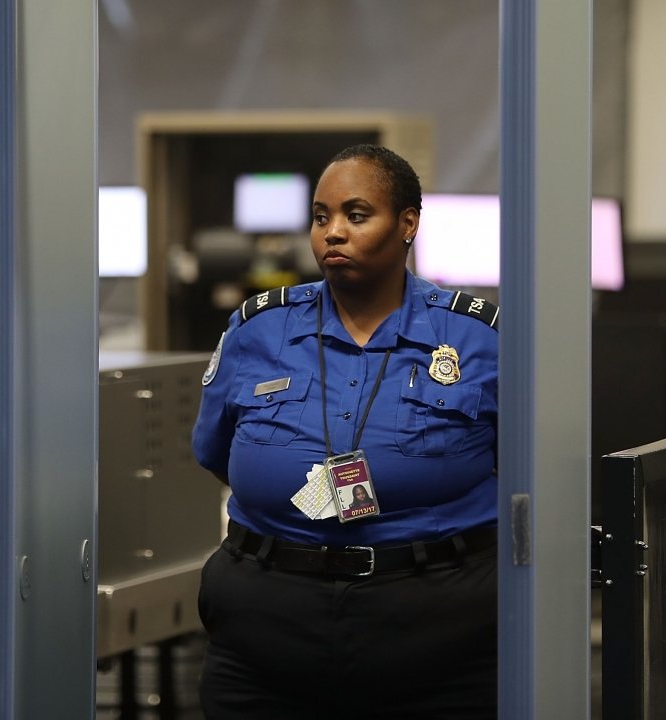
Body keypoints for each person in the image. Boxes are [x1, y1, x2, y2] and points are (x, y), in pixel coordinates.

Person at [192, 144, 499, 718]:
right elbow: (215, 452)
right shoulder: (258, 328)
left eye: (357, 215)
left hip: (436, 631)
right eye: (320, 216)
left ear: (408, 223)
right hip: (268, 625)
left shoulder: (477, 338)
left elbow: (522, 473)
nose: (333, 232)